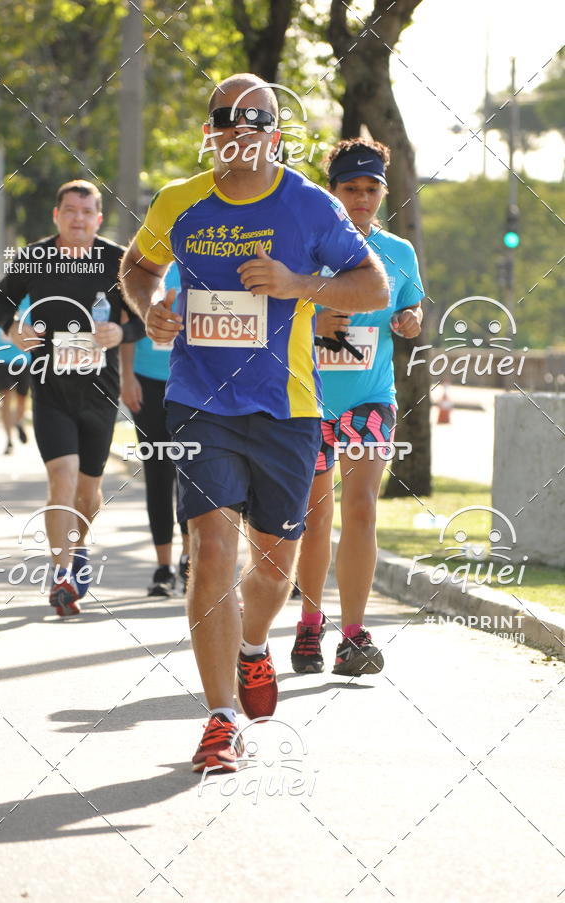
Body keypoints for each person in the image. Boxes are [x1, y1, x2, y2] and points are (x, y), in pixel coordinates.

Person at [120, 73, 390, 772]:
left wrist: (301, 285)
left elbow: (372, 286)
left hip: (290, 408)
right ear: (211, 128)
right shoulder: (179, 201)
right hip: (200, 400)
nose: (240, 129)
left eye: (256, 118)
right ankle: (218, 718)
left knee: (273, 570)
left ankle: (251, 645)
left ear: (275, 130)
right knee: (211, 549)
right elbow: (137, 265)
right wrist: (150, 305)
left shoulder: (309, 205)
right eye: (226, 117)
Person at [290, 138, 424, 677]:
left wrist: (411, 320)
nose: (362, 199)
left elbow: (410, 306)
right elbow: (270, 312)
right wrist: (312, 318)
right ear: (333, 192)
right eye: (351, 189)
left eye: (372, 190)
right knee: (315, 519)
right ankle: (307, 624)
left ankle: (353, 634)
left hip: (371, 398)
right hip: (309, 399)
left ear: (383, 193)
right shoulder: (303, 247)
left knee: (362, 507)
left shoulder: (398, 252)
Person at [0, 180, 143, 616]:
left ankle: (76, 552)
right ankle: (60, 575)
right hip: (50, 386)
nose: (79, 218)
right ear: (57, 215)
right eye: (70, 210)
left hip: (98, 390)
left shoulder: (117, 260)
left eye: (87, 211)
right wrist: (14, 330)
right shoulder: (35, 257)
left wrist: (122, 331)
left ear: (98, 217)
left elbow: (145, 317)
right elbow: (2, 301)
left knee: (89, 493)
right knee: (62, 476)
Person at [119, 261, 190, 596]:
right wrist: (127, 376)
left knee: (191, 474)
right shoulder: (141, 267)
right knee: (158, 472)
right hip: (146, 382)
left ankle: (191, 560)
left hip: (190, 382)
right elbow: (126, 324)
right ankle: (164, 567)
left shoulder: (198, 257)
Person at [0, 293, 31, 454]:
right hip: (2, 357)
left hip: (24, 357)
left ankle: (18, 422)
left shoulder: (30, 296)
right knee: (6, 397)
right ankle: (9, 440)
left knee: (22, 399)